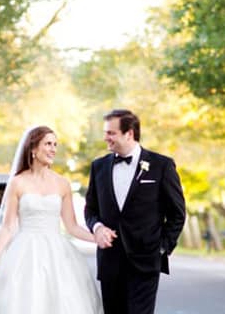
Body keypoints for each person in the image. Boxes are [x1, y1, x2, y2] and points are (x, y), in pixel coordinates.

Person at [0, 126, 103, 314]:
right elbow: (8, 227)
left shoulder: (62, 183)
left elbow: (72, 227)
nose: (53, 149)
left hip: (58, 254)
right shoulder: (18, 183)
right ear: (33, 149)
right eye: (48, 144)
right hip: (24, 252)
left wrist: (98, 238)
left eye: (55, 144)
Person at [85, 109, 186, 314]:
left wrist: (162, 248)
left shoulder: (162, 166)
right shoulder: (99, 167)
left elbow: (177, 213)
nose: (106, 138)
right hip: (110, 261)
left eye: (111, 133)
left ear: (129, 133)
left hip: (145, 261)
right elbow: (91, 209)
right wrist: (97, 227)